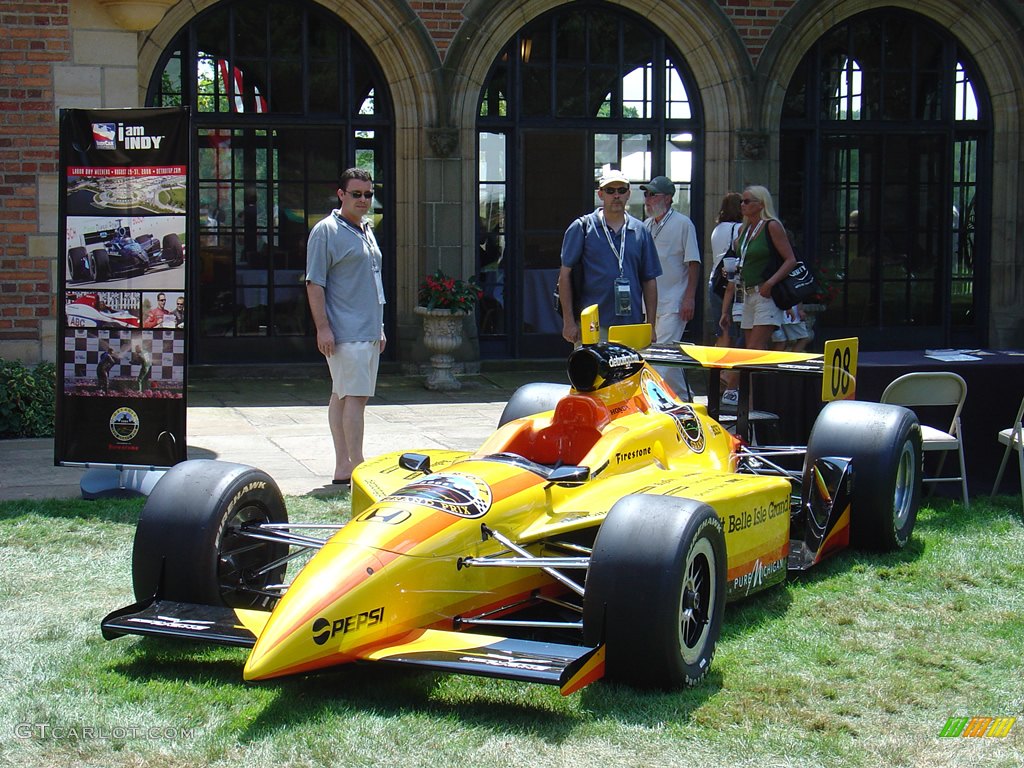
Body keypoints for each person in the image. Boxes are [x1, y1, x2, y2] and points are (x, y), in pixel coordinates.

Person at [306, 167, 386, 486]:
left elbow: (372, 281)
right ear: (341, 195)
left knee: (342, 395)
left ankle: (343, 466)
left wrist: (378, 326)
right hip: (345, 332)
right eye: (357, 194)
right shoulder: (325, 231)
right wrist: (322, 328)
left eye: (368, 194)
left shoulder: (366, 228)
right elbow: (314, 283)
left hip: (367, 330)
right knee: (355, 397)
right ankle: (357, 464)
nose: (364, 200)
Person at [557, 170, 662, 344]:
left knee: (630, 372)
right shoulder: (582, 227)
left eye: (621, 190)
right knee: (592, 372)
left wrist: (650, 325)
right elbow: (565, 275)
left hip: (631, 325)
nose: (616, 195)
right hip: (592, 325)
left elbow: (649, 280)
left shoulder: (640, 230)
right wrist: (568, 321)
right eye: (610, 191)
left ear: (628, 194)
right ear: (600, 194)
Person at [720, 185, 797, 357]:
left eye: (747, 201)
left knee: (753, 349)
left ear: (761, 204)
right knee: (753, 351)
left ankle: (731, 382)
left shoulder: (772, 226)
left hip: (765, 295)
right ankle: (750, 384)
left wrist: (770, 283)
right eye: (741, 201)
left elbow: (790, 260)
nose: (742, 205)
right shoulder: (743, 230)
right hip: (746, 294)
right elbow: (742, 260)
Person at [641, 176, 700, 343]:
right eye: (646, 194)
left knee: (661, 354)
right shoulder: (646, 225)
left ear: (667, 198)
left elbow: (693, 262)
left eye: (652, 194)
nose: (647, 199)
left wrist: (689, 298)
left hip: (674, 302)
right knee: (661, 355)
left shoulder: (683, 224)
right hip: (650, 303)